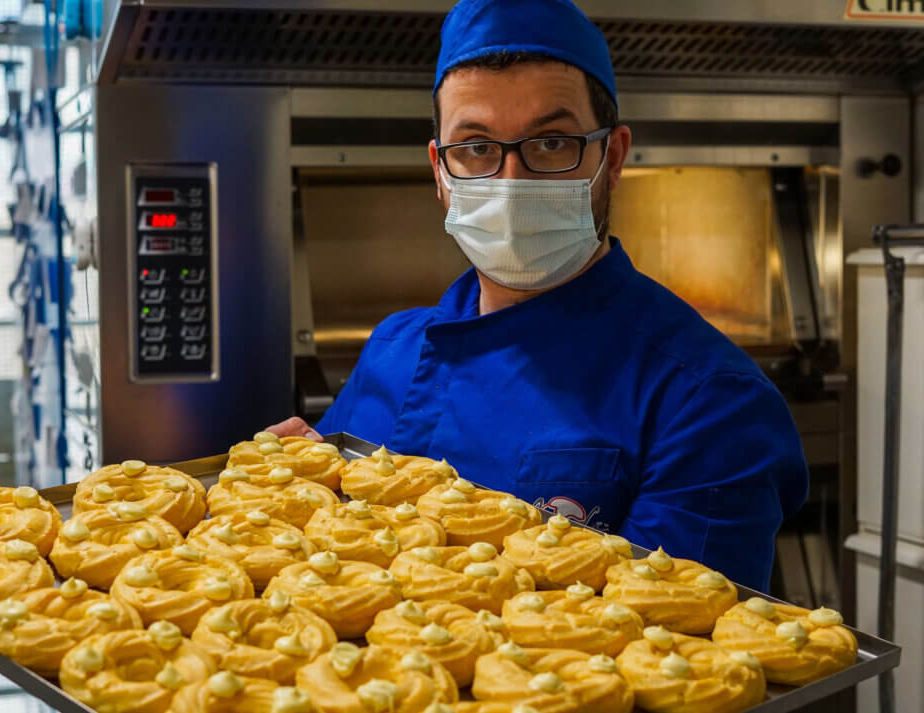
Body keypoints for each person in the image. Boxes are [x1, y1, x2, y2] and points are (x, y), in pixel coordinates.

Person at [266, 0, 808, 591]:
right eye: (475, 147)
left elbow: (675, 645)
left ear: (614, 156)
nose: (511, 181)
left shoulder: (710, 402)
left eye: (552, 143)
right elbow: (325, 564)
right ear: (439, 173)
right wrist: (296, 487)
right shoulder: (393, 346)